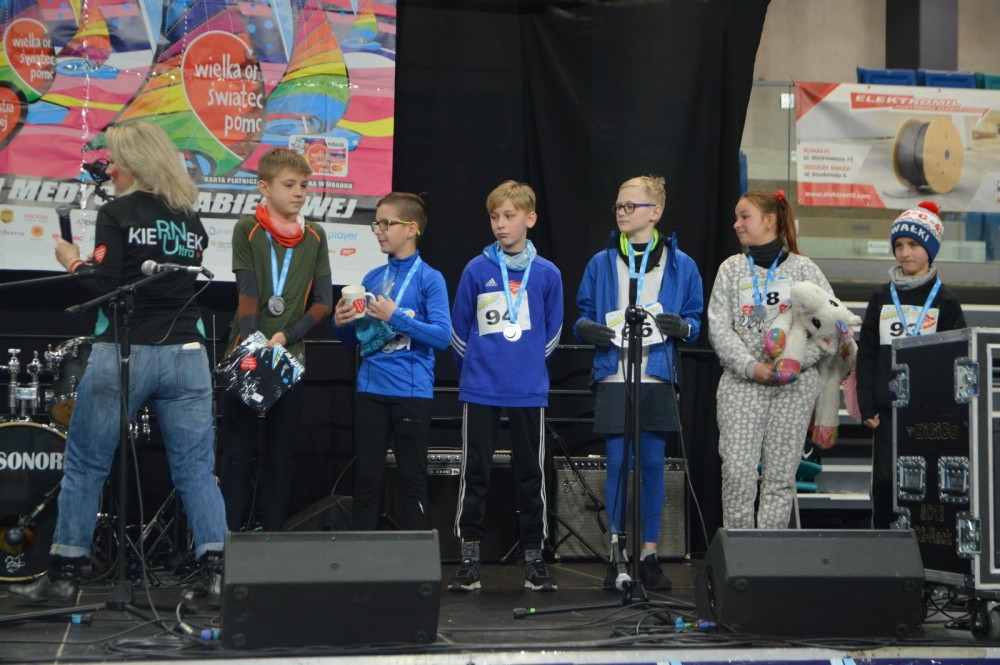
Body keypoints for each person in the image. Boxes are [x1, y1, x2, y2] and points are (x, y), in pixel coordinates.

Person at [9, 122, 228, 603]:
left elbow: (106, 288)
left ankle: (65, 575)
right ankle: (219, 575)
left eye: (113, 161)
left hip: (125, 351)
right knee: (196, 468)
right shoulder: (188, 217)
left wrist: (73, 261)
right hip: (188, 354)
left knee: (87, 463)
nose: (108, 169)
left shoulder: (117, 213)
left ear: (133, 164)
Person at [574, 175, 702, 591]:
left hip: (657, 375)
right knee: (617, 464)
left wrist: (683, 327)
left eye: (631, 206)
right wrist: (586, 329)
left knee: (651, 464)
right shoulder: (601, 262)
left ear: (656, 212)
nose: (622, 213)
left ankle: (648, 554)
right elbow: (582, 314)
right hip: (615, 374)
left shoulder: (681, 264)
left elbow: (695, 321)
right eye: (618, 206)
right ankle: (616, 554)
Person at [448, 180, 563, 592]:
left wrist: (525, 365)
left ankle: (534, 557)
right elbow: (459, 331)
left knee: (531, 473)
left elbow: (553, 333)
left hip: (528, 389)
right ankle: (469, 559)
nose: (500, 224)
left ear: (529, 219)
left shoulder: (547, 273)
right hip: (480, 387)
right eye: (494, 217)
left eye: (509, 216)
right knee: (474, 472)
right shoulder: (476, 270)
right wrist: (479, 367)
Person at [217, 148, 333, 532]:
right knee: (235, 455)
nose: (299, 192)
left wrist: (287, 336)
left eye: (304, 185)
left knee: (280, 457)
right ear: (264, 187)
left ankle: (273, 543)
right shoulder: (247, 230)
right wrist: (255, 346)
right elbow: (247, 295)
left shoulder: (315, 236)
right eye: (289, 185)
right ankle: (227, 544)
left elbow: (323, 304)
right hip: (248, 355)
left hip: (289, 358)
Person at [707, 189, 834, 529]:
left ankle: (769, 551)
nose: (736, 224)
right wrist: (752, 368)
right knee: (737, 472)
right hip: (742, 385)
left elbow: (830, 328)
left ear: (769, 220)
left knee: (779, 478)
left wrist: (794, 362)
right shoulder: (731, 269)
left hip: (793, 387)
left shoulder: (804, 269)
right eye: (736, 217)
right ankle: (739, 551)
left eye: (744, 217)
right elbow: (718, 327)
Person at [333, 192, 451, 530]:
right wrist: (340, 324)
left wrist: (395, 316)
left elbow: (442, 337)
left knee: (412, 479)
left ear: (411, 229)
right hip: (371, 389)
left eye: (386, 223)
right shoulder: (371, 278)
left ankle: (415, 559)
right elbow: (355, 340)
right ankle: (362, 555)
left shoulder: (430, 278)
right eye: (376, 224)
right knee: (366, 479)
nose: (378, 230)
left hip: (411, 393)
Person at [856, 201, 965, 529]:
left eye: (914, 245)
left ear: (930, 250)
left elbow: (955, 360)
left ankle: (924, 548)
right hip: (887, 411)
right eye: (899, 245)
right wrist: (867, 404)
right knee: (885, 482)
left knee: (924, 486)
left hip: (928, 413)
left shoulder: (945, 302)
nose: (904, 253)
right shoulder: (881, 298)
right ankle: (884, 546)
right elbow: (866, 354)